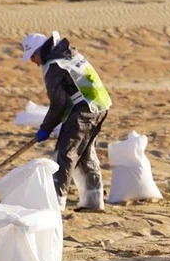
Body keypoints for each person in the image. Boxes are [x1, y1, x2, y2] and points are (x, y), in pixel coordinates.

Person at [21, 31, 111, 211]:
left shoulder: (54, 65)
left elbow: (59, 105)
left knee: (66, 153)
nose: (32, 61)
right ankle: (93, 201)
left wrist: (45, 128)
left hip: (86, 109)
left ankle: (56, 203)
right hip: (101, 105)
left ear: (40, 51)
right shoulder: (69, 54)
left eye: (32, 56)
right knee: (85, 153)